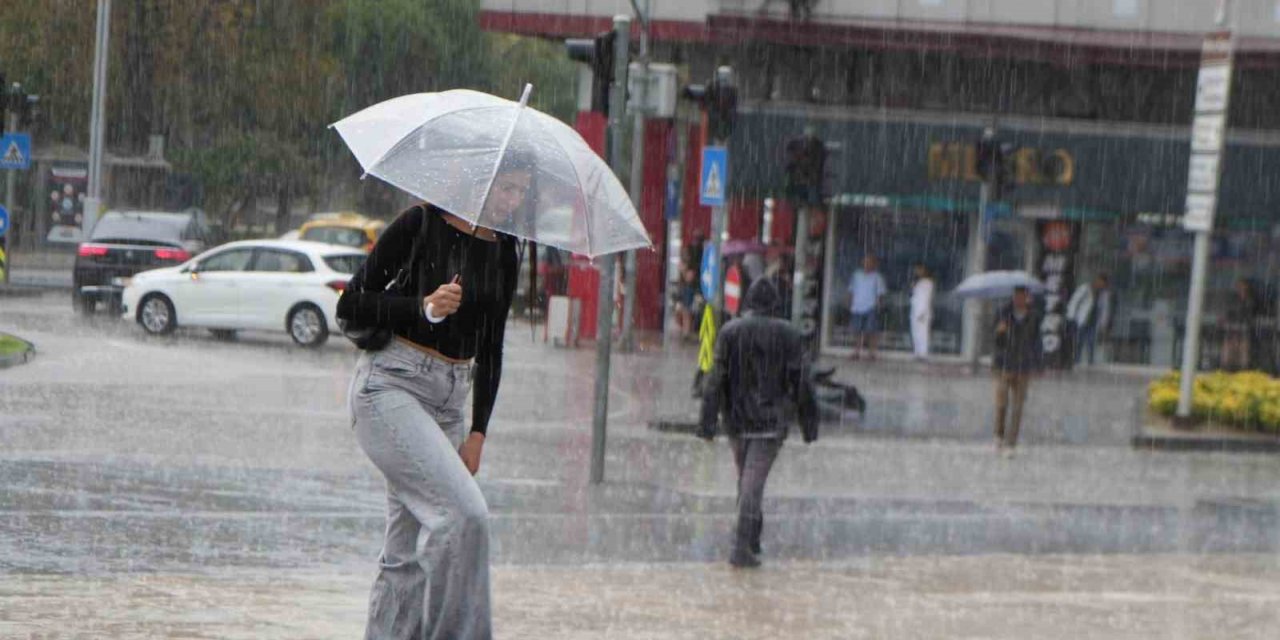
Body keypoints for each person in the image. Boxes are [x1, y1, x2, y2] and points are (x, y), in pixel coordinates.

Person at [337, 156, 530, 639]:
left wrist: (479, 430)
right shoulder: (420, 223)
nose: (512, 202)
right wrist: (422, 308)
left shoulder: (507, 250)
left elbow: (492, 346)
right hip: (391, 386)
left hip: (450, 401)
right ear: (480, 183)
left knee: (405, 554)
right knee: (465, 517)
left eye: (520, 193)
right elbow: (351, 303)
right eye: (506, 190)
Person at [699, 278, 819, 569]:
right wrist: (808, 422)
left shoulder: (730, 332)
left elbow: (715, 380)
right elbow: (801, 382)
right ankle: (743, 544)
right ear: (775, 305)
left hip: (737, 421)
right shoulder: (788, 335)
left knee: (748, 479)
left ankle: (750, 537)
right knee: (752, 482)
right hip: (770, 422)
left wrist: (707, 420)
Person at [993, 286, 1043, 456]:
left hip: (1023, 366)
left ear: (1027, 297)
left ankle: (1010, 443)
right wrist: (1000, 333)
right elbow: (996, 342)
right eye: (1017, 296)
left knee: (1018, 407)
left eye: (1023, 296)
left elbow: (1037, 341)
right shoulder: (1003, 313)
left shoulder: (1034, 316)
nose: (1019, 299)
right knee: (1002, 403)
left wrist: (1037, 363)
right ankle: (999, 434)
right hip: (1005, 365)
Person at [847, 255, 887, 361]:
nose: (866, 265)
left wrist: (880, 306)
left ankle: (872, 353)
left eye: (869, 262)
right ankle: (856, 352)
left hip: (871, 307)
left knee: (871, 331)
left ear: (873, 264)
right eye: (865, 262)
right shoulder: (856, 275)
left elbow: (881, 293)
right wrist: (849, 303)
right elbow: (851, 290)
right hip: (856, 307)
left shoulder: (877, 277)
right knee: (857, 331)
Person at [1066, 274, 1112, 367]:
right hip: (1082, 319)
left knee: (1091, 342)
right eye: (1101, 283)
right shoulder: (1085, 288)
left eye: (1104, 284)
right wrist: (1071, 316)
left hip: (1093, 321)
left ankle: (1090, 361)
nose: (1102, 285)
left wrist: (1103, 323)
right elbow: (1074, 301)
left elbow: (1105, 309)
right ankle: (1076, 360)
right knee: (1079, 341)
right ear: (1097, 280)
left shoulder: (1103, 294)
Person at [1222, 278, 1260, 371]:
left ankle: (1244, 368)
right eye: (1239, 287)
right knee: (1228, 345)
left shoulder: (1251, 301)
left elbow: (1250, 316)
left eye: (1242, 286)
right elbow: (1228, 313)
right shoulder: (1233, 300)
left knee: (1244, 346)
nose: (1240, 289)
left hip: (1246, 330)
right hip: (1232, 329)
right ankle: (1226, 367)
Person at [910, 264, 934, 360]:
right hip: (915, 310)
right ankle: (917, 352)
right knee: (915, 332)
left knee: (922, 333)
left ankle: (923, 353)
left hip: (922, 312)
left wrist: (922, 311)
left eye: (918, 270)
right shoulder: (918, 282)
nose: (916, 272)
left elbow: (925, 298)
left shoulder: (927, 283)